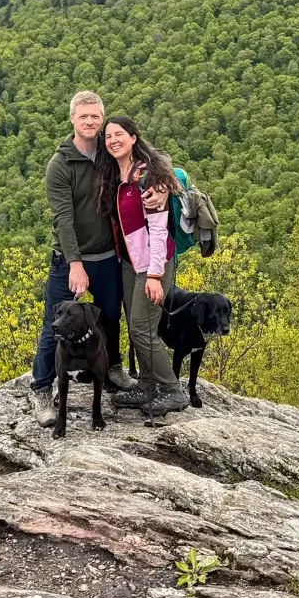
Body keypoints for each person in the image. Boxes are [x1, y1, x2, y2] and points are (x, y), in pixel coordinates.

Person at [29, 91, 142, 428]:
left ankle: (111, 370)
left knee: (108, 318)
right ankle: (40, 388)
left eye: (96, 117)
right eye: (84, 117)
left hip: (108, 255)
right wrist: (75, 264)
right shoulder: (60, 165)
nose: (91, 122)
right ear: (72, 120)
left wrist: (165, 185)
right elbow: (62, 219)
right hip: (70, 260)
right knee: (57, 325)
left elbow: (148, 157)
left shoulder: (109, 153)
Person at [99, 115, 190, 416]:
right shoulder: (117, 172)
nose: (113, 140)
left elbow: (160, 229)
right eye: (108, 136)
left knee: (141, 329)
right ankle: (147, 385)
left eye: (119, 135)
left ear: (134, 138)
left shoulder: (147, 177)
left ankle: (172, 390)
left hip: (153, 263)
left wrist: (154, 274)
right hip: (129, 262)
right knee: (138, 324)